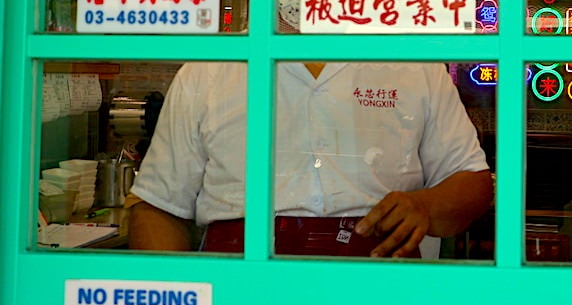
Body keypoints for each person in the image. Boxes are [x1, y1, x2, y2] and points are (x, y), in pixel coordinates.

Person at [128, 60, 493, 259]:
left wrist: (424, 206)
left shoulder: (412, 64)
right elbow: (159, 205)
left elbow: (472, 182)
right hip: (239, 287)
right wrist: (172, 303)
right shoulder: (208, 71)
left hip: (382, 286)